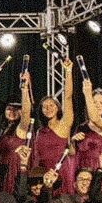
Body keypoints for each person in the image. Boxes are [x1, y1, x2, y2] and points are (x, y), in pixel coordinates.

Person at [26, 62, 77, 193]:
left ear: (58, 108)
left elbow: (68, 97)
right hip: (43, 176)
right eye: (45, 106)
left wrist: (68, 71)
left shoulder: (64, 125)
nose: (48, 108)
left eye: (51, 105)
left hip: (61, 172)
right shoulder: (39, 131)